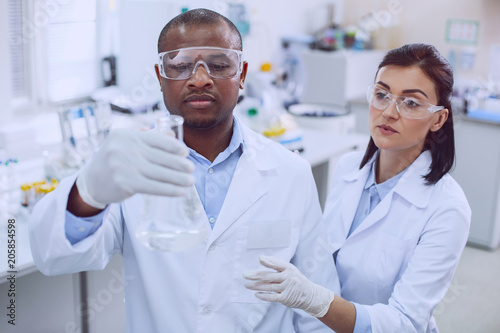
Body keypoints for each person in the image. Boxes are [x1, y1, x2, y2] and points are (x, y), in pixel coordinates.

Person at [29, 8, 339, 333]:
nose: (200, 78)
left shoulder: (292, 173)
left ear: (242, 73)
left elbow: (318, 309)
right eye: (180, 66)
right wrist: (88, 191)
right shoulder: (129, 167)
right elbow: (53, 256)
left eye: (219, 65)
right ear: (161, 76)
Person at [244, 43, 471, 333]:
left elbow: (404, 323)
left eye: (411, 102)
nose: (389, 112)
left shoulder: (447, 208)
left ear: (438, 118)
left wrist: (318, 301)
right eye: (381, 94)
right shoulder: (349, 167)